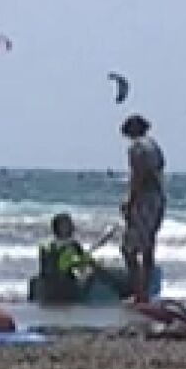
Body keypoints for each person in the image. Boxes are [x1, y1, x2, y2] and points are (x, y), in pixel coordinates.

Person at [119, 114, 166, 303]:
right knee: (148, 247)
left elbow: (138, 175)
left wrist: (130, 201)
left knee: (128, 249)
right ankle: (145, 291)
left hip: (144, 200)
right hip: (157, 198)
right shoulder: (154, 146)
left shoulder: (137, 147)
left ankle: (139, 293)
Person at [36, 214, 128, 302]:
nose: (71, 227)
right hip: (64, 289)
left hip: (48, 288)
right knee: (95, 270)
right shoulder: (71, 245)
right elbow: (78, 262)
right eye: (68, 225)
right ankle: (123, 290)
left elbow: (49, 268)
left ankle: (122, 288)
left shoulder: (45, 245)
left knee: (90, 266)